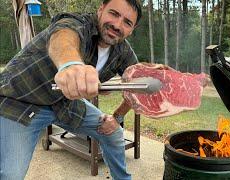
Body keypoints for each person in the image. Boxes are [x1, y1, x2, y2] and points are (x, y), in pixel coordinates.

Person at [0, 0, 142, 179]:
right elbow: (64, 35)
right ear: (100, 10)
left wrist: (117, 117)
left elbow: (138, 84)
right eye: (114, 13)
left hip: (64, 104)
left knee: (114, 132)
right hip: (20, 100)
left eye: (127, 22)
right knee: (10, 174)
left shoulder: (123, 51)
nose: (117, 25)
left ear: (132, 29)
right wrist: (70, 63)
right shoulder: (78, 23)